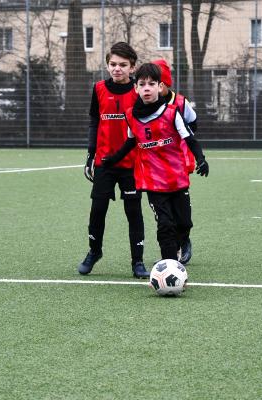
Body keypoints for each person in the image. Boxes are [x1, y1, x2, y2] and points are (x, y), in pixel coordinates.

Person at [102, 63, 209, 263]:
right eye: (142, 84)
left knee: (184, 223)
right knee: (165, 224)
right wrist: (113, 160)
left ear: (160, 87)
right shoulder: (131, 116)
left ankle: (180, 244)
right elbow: (131, 142)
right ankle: (169, 264)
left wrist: (201, 159)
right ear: (136, 88)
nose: (147, 88)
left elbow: (189, 138)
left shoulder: (171, 112)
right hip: (153, 181)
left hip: (177, 178)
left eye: (152, 84)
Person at [78, 42, 149, 279]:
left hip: (131, 163)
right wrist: (90, 154)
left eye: (122, 65)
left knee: (133, 212)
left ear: (132, 67)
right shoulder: (98, 89)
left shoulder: (139, 91)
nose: (117, 69)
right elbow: (94, 122)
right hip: (104, 163)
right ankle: (94, 251)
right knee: (97, 210)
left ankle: (137, 262)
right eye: (112, 64)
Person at [153, 59, 197, 265]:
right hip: (154, 169)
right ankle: (170, 255)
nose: (154, 86)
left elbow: (193, 124)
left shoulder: (180, 103)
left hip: (178, 165)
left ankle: (184, 239)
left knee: (183, 219)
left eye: (158, 81)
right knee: (164, 218)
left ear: (165, 83)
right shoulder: (143, 104)